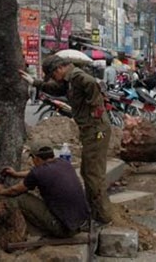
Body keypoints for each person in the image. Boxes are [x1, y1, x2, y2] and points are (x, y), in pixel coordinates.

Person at [21, 55, 113, 225]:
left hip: (96, 131)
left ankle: (103, 217)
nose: (54, 79)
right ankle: (95, 213)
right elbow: (56, 89)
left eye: (53, 75)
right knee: (88, 172)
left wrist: (94, 109)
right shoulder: (69, 81)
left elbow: (92, 84)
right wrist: (35, 82)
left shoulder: (79, 77)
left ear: (59, 69)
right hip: (91, 130)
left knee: (93, 174)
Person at [0, 139, 90, 238]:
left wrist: (1, 191)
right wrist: (16, 174)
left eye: (33, 159)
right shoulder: (63, 163)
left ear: (36, 158)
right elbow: (36, 172)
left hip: (64, 229)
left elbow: (15, 191)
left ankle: (31, 234)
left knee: (20, 198)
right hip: (80, 224)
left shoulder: (38, 173)